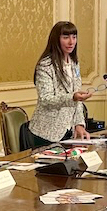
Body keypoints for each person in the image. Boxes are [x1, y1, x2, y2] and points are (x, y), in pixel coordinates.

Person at [22, 21, 92, 150]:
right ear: (56, 39)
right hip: (46, 133)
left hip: (67, 132)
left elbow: (77, 100)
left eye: (74, 37)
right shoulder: (45, 65)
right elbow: (46, 99)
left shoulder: (74, 63)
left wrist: (79, 124)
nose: (71, 42)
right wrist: (72, 97)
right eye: (66, 37)